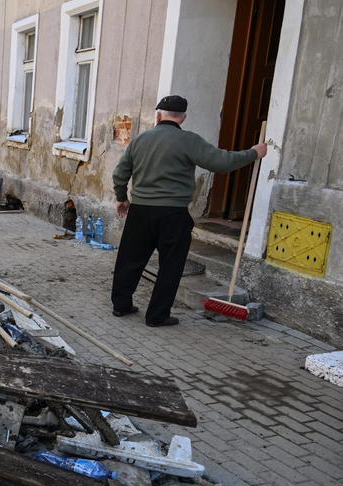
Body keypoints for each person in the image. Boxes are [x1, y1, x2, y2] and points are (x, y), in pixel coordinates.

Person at [111, 95, 267, 327]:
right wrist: (254, 153)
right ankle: (157, 316)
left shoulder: (140, 140)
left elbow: (119, 175)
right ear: (183, 118)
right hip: (173, 214)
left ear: (158, 115)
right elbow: (222, 162)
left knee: (129, 259)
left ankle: (121, 306)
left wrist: (122, 199)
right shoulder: (189, 141)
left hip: (141, 211)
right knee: (171, 266)